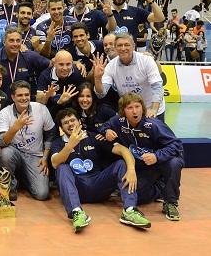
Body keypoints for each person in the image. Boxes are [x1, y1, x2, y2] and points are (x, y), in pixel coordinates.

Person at [51, 108, 151, 232]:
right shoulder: (57, 143)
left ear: (79, 122)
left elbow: (122, 150)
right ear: (61, 127)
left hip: (98, 184)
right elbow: (55, 163)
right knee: (62, 167)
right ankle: (77, 212)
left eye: (73, 120)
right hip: (77, 188)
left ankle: (130, 210)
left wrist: (131, 170)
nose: (70, 124)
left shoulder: (93, 137)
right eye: (66, 122)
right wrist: (70, 145)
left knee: (120, 164)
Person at [99, 93, 184, 221]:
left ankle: (171, 202)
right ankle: (159, 189)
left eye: (137, 106)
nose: (135, 111)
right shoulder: (119, 122)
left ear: (142, 108)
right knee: (137, 197)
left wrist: (157, 156)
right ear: (123, 111)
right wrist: (106, 131)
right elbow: (103, 126)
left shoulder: (153, 125)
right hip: (141, 167)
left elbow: (177, 145)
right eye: (130, 108)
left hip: (158, 163)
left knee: (174, 162)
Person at [0, 80, 56, 201]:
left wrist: (45, 157)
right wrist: (15, 128)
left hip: (35, 155)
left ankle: (25, 178)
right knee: (5, 153)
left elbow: (51, 133)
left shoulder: (41, 109)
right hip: (15, 152)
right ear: (13, 97)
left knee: (42, 194)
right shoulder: (5, 113)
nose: (24, 98)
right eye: (19, 95)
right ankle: (11, 186)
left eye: (26, 95)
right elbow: (2, 142)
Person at [93, 33, 165, 120]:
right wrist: (97, 78)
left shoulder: (146, 60)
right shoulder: (111, 66)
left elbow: (157, 86)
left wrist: (153, 110)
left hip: (152, 109)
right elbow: (101, 94)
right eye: (119, 45)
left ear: (133, 46)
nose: (123, 48)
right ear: (115, 48)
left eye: (127, 45)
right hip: (130, 112)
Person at [0, 27, 50, 100]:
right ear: (4, 42)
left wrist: (41, 88)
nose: (15, 44)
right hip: (0, 102)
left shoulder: (29, 56)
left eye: (18, 41)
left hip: (23, 101)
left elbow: (50, 65)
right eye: (11, 41)